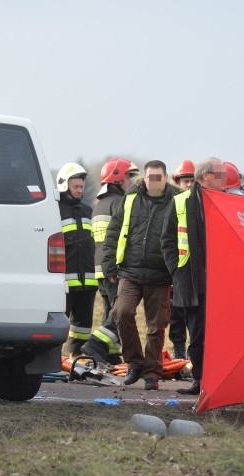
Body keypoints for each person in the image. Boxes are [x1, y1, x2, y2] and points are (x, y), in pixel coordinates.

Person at [102, 160, 176, 390]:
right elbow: (115, 229)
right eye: (149, 177)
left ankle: (152, 374)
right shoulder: (132, 197)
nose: (152, 181)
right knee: (121, 312)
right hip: (130, 271)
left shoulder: (177, 200)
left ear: (166, 178)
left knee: (156, 327)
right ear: (144, 177)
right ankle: (134, 363)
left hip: (161, 274)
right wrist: (109, 265)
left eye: (158, 177)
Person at [161, 157, 226, 396]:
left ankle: (217, 380)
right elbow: (167, 241)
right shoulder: (181, 202)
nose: (224, 179)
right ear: (205, 177)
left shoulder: (227, 202)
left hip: (220, 283)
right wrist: (176, 271)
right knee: (197, 334)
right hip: (190, 281)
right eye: (219, 175)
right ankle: (200, 380)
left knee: (219, 334)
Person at [80, 157, 134, 364]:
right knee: (120, 312)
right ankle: (96, 344)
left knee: (109, 310)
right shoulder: (119, 204)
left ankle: (110, 353)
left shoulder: (100, 204)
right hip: (114, 268)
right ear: (118, 179)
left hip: (100, 268)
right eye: (129, 176)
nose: (131, 181)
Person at [56, 162, 96, 358]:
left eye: (81, 187)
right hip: (64, 281)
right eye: (76, 187)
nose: (80, 190)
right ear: (64, 186)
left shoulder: (88, 211)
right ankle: (54, 359)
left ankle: (76, 359)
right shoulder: (55, 211)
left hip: (87, 280)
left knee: (83, 325)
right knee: (59, 323)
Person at [167, 160, 195, 363]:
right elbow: (166, 238)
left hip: (197, 268)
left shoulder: (202, 203)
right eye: (185, 181)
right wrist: (173, 267)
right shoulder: (173, 203)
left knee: (196, 315)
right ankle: (179, 350)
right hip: (179, 267)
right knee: (176, 312)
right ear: (177, 181)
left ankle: (195, 352)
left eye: (192, 180)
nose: (189, 185)